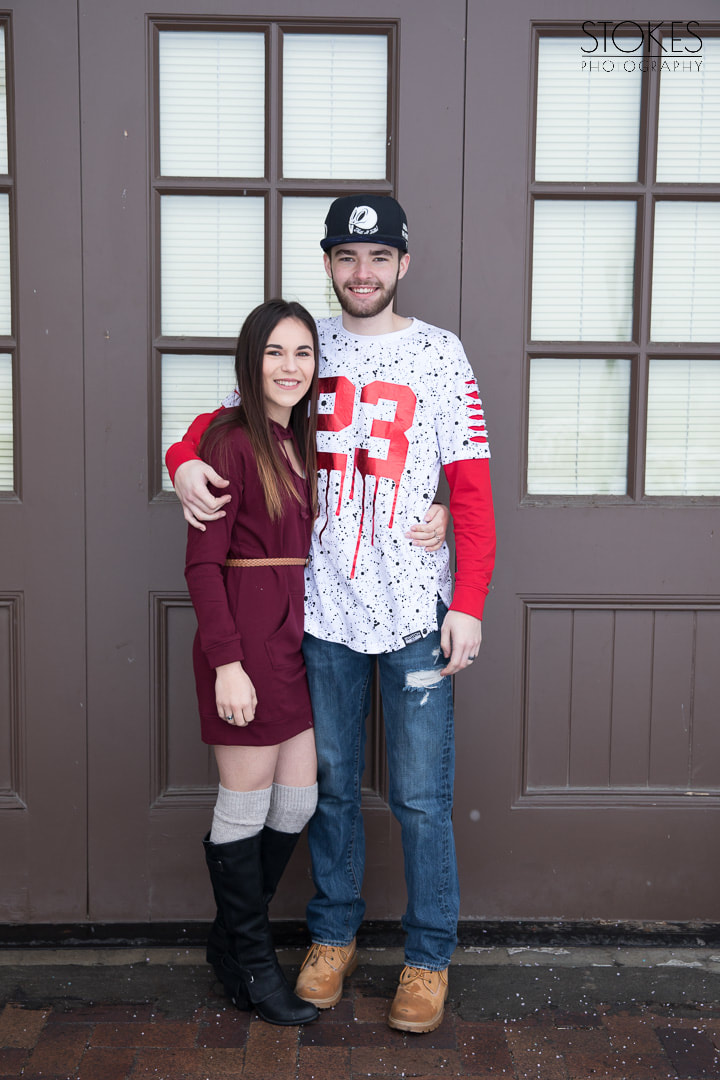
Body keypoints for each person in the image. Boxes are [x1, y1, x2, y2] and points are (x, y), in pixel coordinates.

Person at [167, 194, 496, 1034]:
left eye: (379, 258)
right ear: (328, 265)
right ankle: (333, 935)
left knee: (421, 796)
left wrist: (468, 600)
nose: (363, 273)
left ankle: (427, 957)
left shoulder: (440, 354)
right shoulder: (304, 345)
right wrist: (179, 462)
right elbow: (218, 420)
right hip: (321, 613)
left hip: (418, 611)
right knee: (333, 790)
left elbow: (472, 487)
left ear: (402, 264)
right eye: (348, 259)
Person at [184, 298, 321, 1027]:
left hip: (292, 641)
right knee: (244, 803)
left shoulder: (300, 438)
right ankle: (253, 964)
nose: (290, 367)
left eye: (302, 353)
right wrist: (226, 664)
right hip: (241, 640)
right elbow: (202, 567)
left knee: (296, 800)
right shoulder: (232, 440)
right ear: (250, 360)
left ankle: (226, 943)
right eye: (275, 352)